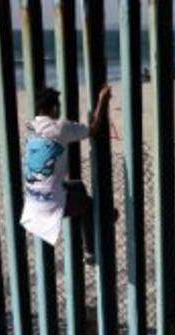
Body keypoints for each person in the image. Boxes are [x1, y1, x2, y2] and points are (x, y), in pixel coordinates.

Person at [21, 85, 112, 265]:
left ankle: (89, 232)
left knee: (78, 186)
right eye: (59, 106)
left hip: (32, 199)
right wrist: (103, 100)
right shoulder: (60, 127)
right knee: (91, 206)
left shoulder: (32, 129)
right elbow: (93, 129)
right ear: (54, 108)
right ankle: (91, 252)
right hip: (50, 204)